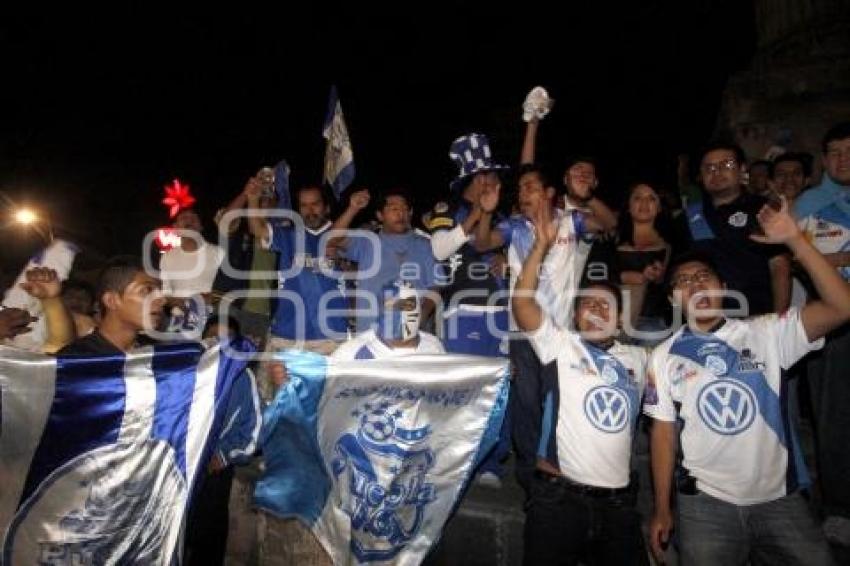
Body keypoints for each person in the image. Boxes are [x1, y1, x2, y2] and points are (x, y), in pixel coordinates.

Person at [646, 196, 849, 566]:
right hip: (704, 503)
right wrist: (662, 507)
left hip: (779, 500)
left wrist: (796, 241)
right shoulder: (663, 357)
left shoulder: (768, 333)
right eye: (683, 282)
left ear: (723, 286)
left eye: (703, 277)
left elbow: (841, 306)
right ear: (674, 298)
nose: (695, 286)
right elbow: (662, 434)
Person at [512, 204, 648, 566]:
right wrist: (540, 246)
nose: (595, 310)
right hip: (557, 500)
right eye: (586, 304)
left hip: (620, 506)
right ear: (574, 317)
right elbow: (523, 304)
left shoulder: (642, 360)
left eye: (605, 305)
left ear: (619, 319)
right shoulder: (560, 345)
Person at [792, 121, 850, 547]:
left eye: (849, 150)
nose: (842, 159)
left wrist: (827, 258)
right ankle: (840, 507)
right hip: (835, 323)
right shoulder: (811, 203)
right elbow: (795, 258)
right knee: (835, 418)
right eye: (834, 152)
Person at [241, 178, 349, 397]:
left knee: (327, 408)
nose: (310, 210)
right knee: (283, 406)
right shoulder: (287, 236)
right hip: (287, 337)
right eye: (304, 206)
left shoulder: (343, 237)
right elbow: (258, 229)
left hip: (330, 340)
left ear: (326, 207)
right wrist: (253, 199)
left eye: (315, 204)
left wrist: (353, 209)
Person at [185, 315, 261, 566]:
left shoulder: (242, 377)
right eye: (211, 338)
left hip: (213, 471)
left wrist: (223, 455)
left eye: (225, 341)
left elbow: (252, 430)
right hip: (179, 468)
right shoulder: (185, 371)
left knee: (207, 540)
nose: (216, 345)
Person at [684, 141, 791, 315]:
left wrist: (779, 320)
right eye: (709, 168)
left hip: (755, 317)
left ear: (742, 170)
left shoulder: (763, 209)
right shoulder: (689, 216)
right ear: (701, 176)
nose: (716, 172)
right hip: (704, 319)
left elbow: (780, 266)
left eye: (726, 165)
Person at [332, 187, 439, 333]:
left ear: (411, 213)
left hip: (413, 336)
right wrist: (353, 208)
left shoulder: (424, 245)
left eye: (405, 209)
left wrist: (420, 318)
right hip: (371, 333)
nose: (400, 213)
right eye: (393, 209)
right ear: (380, 215)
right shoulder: (367, 242)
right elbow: (333, 239)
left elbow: (435, 288)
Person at [58, 257, 165, 356]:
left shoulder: (157, 354)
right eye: (147, 290)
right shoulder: (75, 361)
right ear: (111, 301)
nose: (162, 300)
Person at [616, 182, 673, 343]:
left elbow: (673, 284)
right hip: (613, 318)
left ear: (659, 207)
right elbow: (594, 274)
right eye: (638, 198)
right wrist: (623, 277)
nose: (644, 204)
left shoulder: (670, 243)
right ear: (628, 205)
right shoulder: (611, 238)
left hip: (652, 320)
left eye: (651, 199)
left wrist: (660, 277)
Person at [160, 208, 225, 334]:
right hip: (177, 323)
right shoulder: (167, 256)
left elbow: (224, 292)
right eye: (184, 218)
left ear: (201, 227)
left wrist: (194, 302)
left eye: (194, 219)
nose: (189, 222)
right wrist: (187, 303)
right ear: (176, 228)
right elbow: (165, 292)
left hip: (211, 322)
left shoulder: (218, 253)